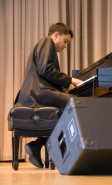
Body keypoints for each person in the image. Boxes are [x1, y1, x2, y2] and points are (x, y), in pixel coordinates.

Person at [15, 22, 83, 168]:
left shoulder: (45, 45)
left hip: (39, 91)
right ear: (56, 35)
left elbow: (46, 72)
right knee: (75, 103)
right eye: (65, 41)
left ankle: (36, 146)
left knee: (66, 108)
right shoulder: (47, 41)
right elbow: (45, 69)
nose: (65, 46)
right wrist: (71, 80)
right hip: (38, 92)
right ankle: (75, 154)